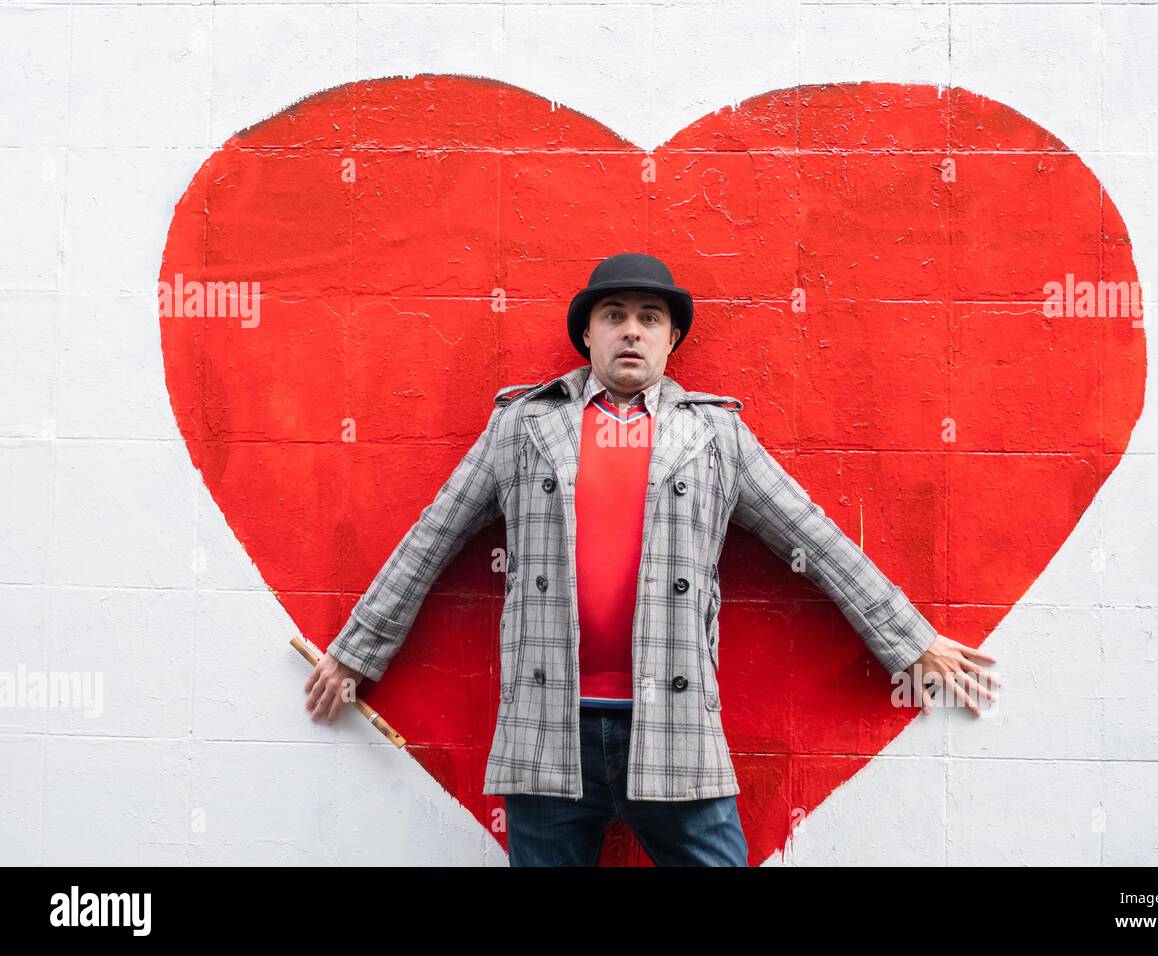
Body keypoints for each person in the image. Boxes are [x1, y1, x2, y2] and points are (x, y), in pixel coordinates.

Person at [303, 252, 998, 866]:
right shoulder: (524, 425)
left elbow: (811, 535)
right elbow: (436, 533)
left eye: (648, 318)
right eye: (614, 315)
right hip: (548, 731)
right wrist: (358, 652)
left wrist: (908, 639)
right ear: (588, 335)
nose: (631, 330)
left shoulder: (715, 434)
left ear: (671, 340)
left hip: (674, 724)